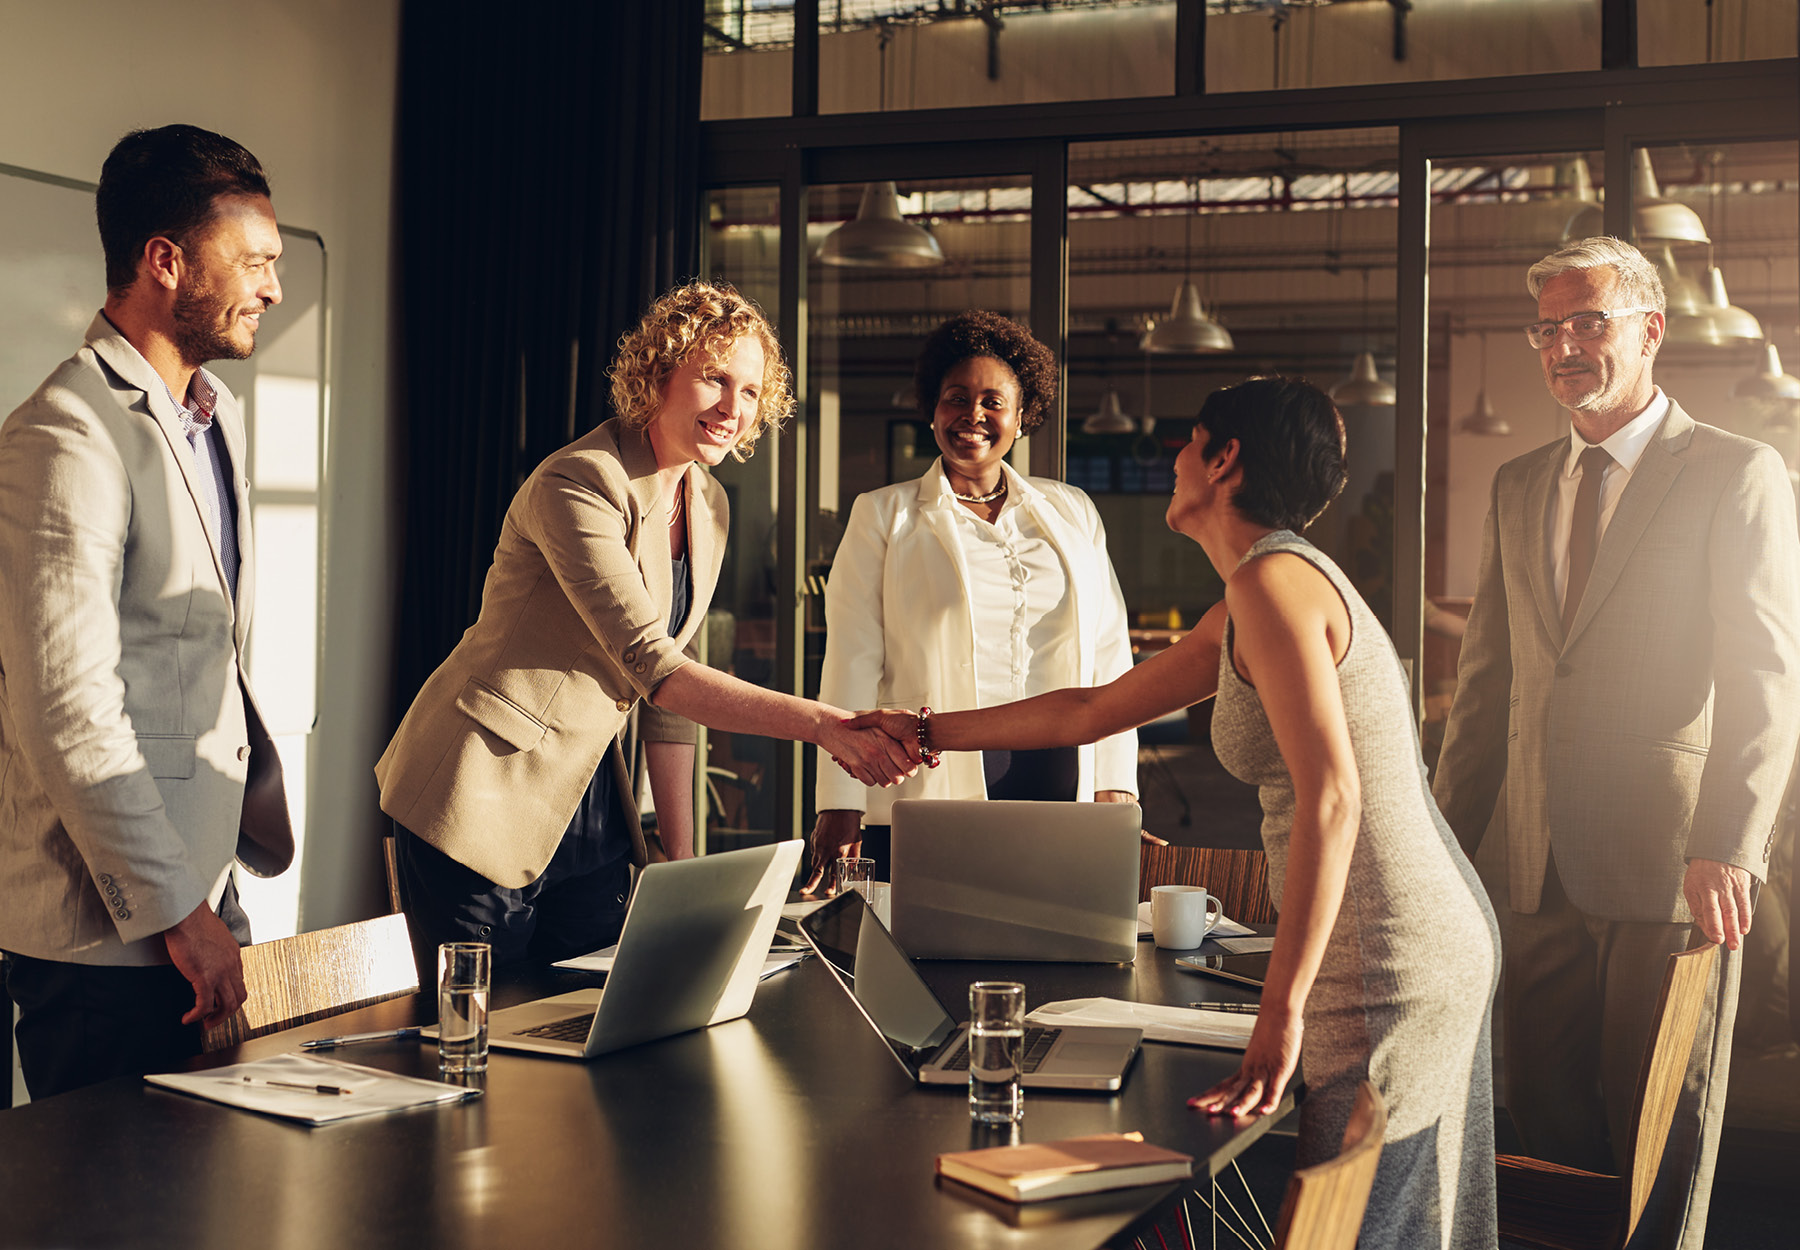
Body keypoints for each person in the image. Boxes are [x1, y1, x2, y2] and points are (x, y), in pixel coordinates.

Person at [852, 377, 1500, 1249]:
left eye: (1189, 441)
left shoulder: (1276, 583)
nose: (1173, 457)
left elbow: (1334, 797)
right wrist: (924, 729)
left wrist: (1280, 1012)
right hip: (1406, 930)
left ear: (1225, 460)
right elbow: (1090, 710)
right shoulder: (1255, 592)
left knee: (1359, 1228)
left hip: (1392, 950)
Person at [1432, 236, 1800, 1250]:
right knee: (1543, 1127)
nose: (1564, 345)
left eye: (1587, 320)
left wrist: (1732, 839)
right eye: (1547, 327)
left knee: (1656, 1127)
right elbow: (1485, 688)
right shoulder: (1518, 482)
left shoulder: (1737, 470)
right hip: (1531, 863)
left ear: (1651, 330)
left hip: (1673, 863)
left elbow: (1770, 672)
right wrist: (1440, 840)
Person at [377, 280, 915, 966]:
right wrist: (822, 725)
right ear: (658, 374)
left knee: (580, 1030)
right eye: (714, 379)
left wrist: (683, 865)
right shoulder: (578, 482)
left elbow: (669, 710)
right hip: (482, 789)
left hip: (594, 806)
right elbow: (655, 668)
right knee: (480, 1037)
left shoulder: (709, 504)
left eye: (750, 392)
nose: (733, 407)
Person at [0, 125, 294, 1098]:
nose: (274, 288)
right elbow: (66, 708)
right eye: (254, 262)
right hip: (106, 936)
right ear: (165, 262)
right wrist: (176, 908)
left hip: (202, 901)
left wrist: (208, 901)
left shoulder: (215, 419)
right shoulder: (65, 435)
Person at [805, 310, 1138, 890]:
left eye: (992, 401)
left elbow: (1110, 658)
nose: (972, 416)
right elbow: (852, 659)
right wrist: (840, 802)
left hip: (1057, 774)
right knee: (929, 955)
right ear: (932, 409)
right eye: (956, 397)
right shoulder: (883, 514)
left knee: (1054, 948)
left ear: (1021, 415)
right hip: (932, 779)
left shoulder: (1073, 511)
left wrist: (1117, 787)